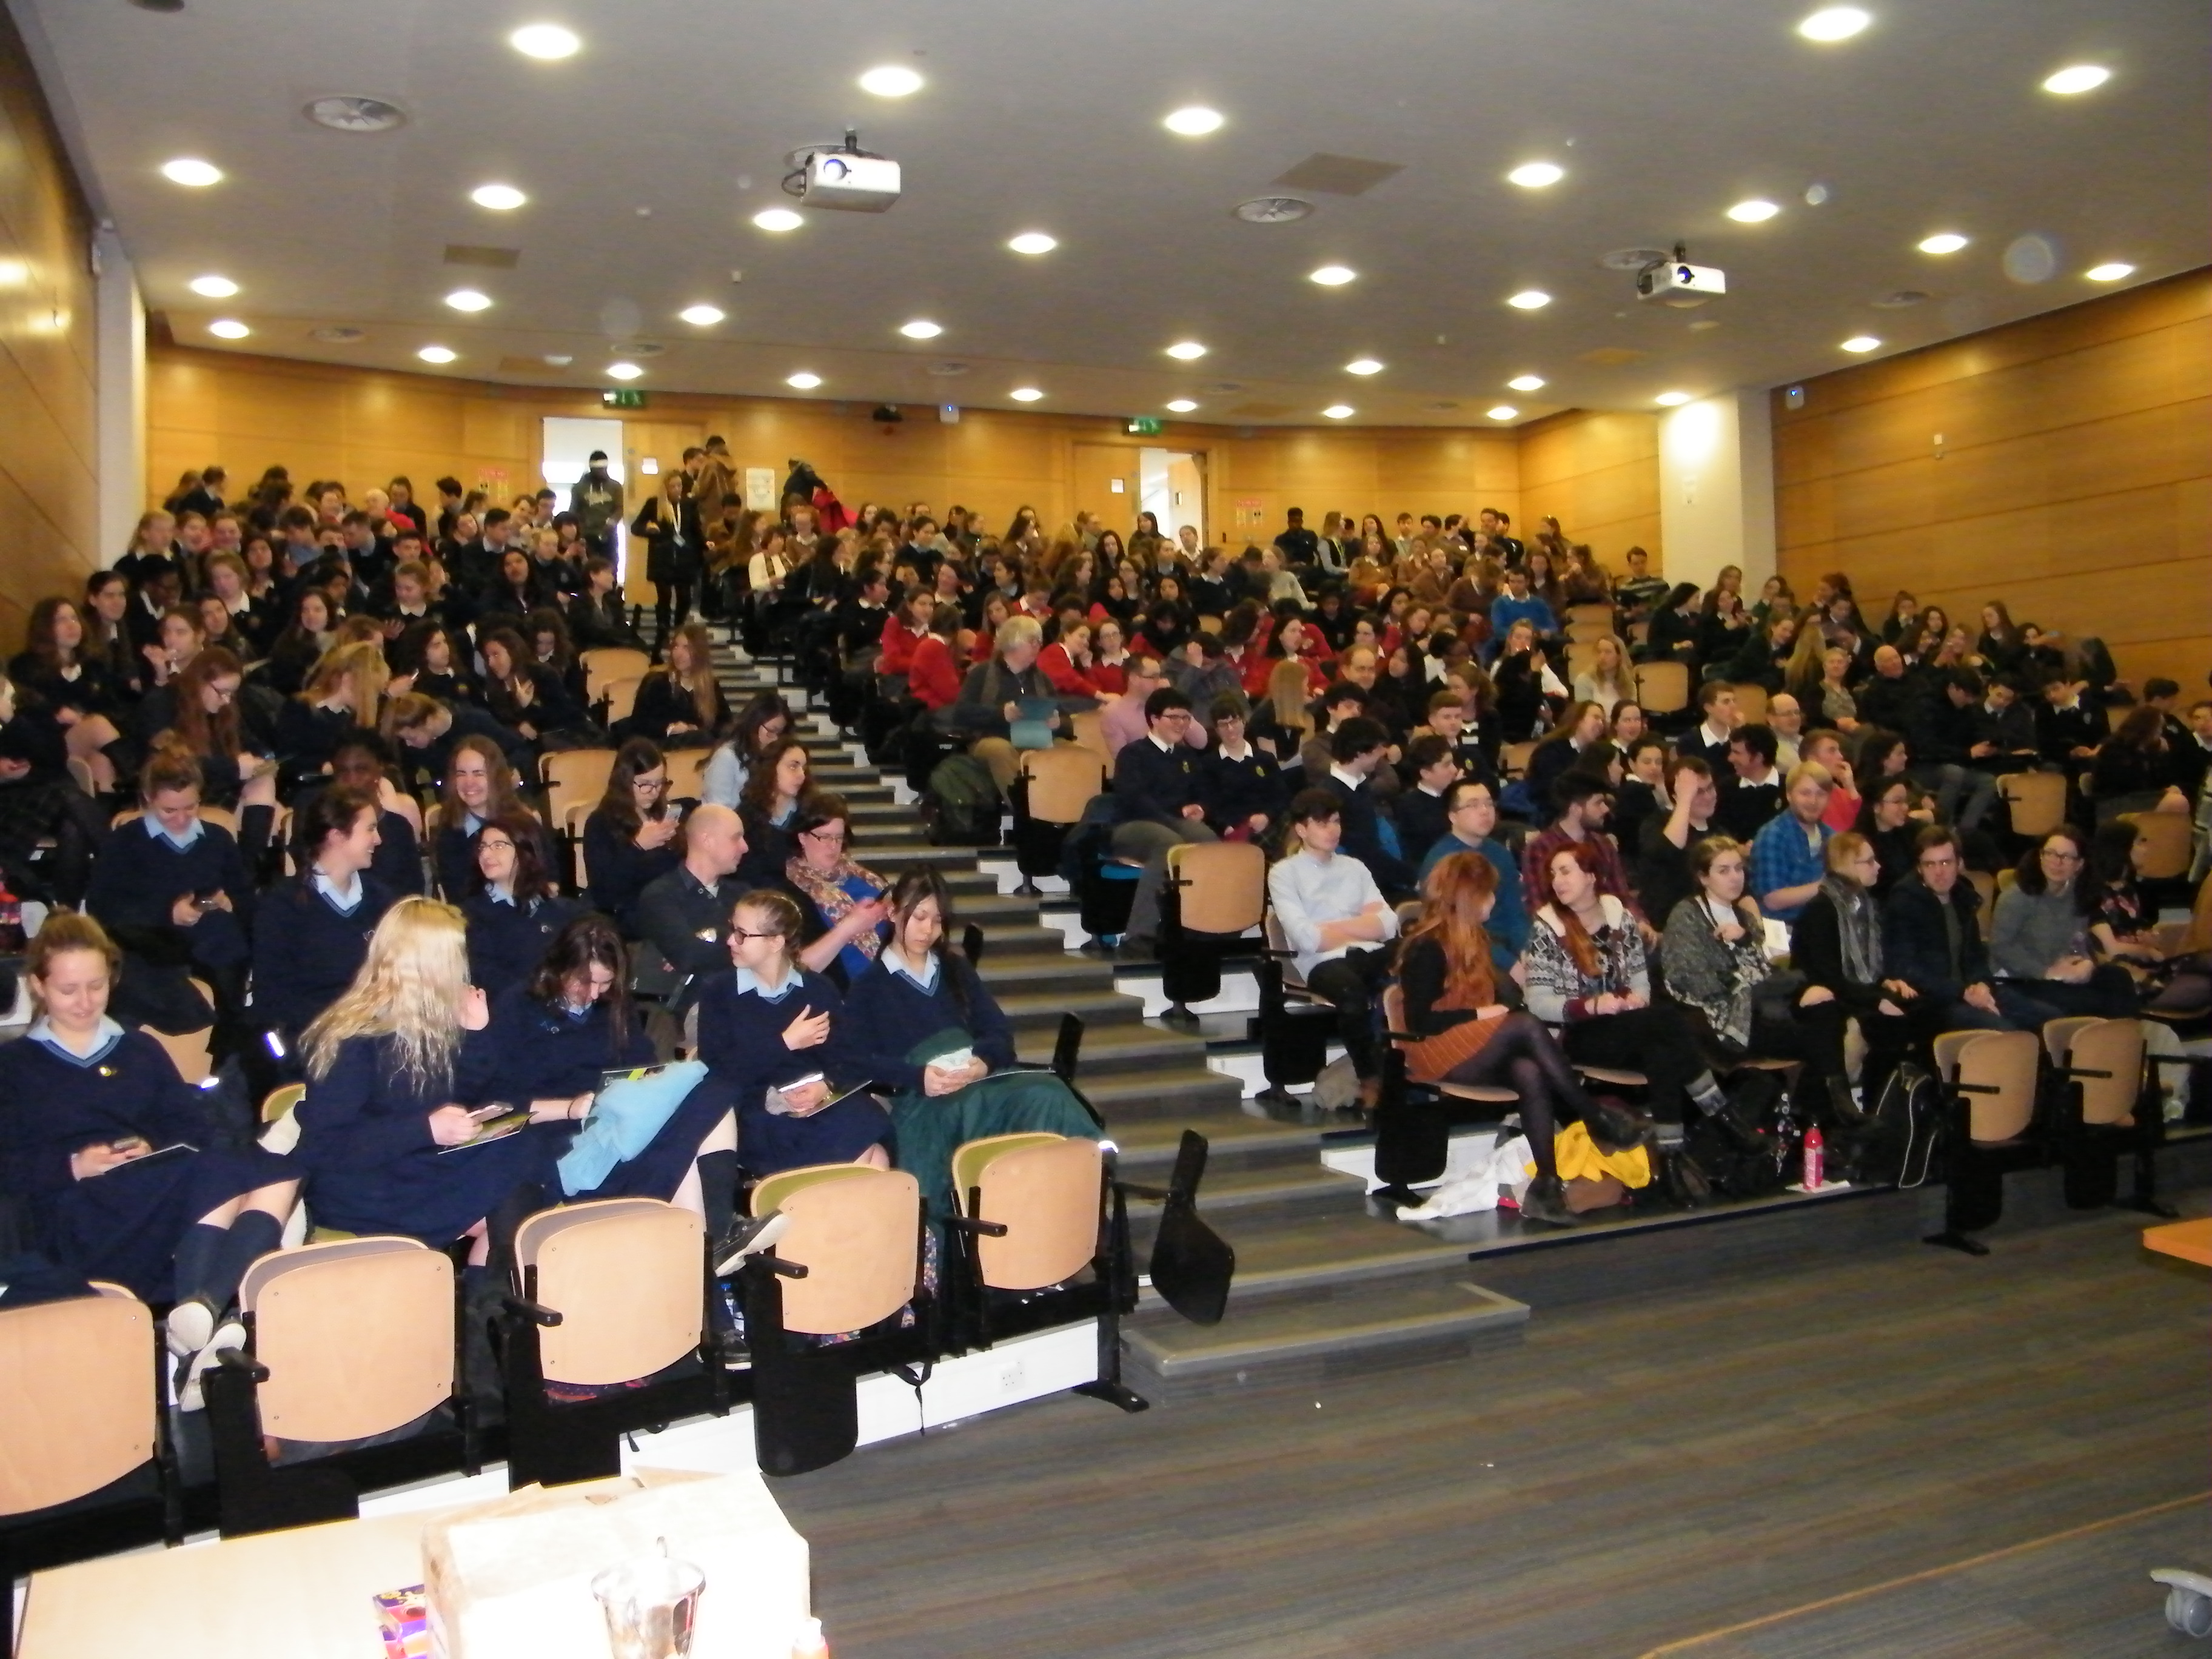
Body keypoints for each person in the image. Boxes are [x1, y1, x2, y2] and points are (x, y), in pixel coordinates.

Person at [0, 914, 300, 1401]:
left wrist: (151, 1147)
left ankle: (198, 1314)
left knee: (280, 1171)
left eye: (96, 986)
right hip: (76, 1209)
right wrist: (74, 1164)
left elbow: (190, 1128)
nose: (85, 1002)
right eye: (68, 990)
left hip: (150, 1184)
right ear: (38, 986)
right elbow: (9, 1166)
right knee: (235, 1172)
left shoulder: (138, 1049)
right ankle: (201, 1318)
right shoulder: (15, 1066)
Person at [295, 898, 568, 1253]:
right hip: (365, 1185)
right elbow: (325, 1147)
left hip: (417, 1160)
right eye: (455, 958)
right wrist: (425, 1129)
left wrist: (476, 1034)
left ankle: (495, 1279)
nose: (463, 968)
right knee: (513, 1181)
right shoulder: (354, 1037)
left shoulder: (429, 1022)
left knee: (523, 1148)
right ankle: (499, 1280)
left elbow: (460, 1097)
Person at [1394, 853, 1649, 1227]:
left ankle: (1547, 1185)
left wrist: (1491, 1011)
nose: (1493, 901)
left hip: (1468, 1044)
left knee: (1528, 1070)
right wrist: (1479, 1015)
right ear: (1468, 896)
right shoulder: (1426, 946)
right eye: (1487, 893)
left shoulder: (1475, 940)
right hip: (1432, 1047)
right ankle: (1594, 1116)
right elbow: (1420, 1020)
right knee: (1526, 1025)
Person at [841, 868, 1099, 1222]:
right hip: (927, 1097)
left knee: (1048, 1092)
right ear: (894, 913)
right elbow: (853, 1061)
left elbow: (998, 1033)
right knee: (965, 1113)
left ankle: (1079, 1200)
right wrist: (917, 1077)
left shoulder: (955, 970)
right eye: (919, 917)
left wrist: (984, 1062)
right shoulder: (869, 987)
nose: (928, 930)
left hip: (977, 1079)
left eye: (937, 921)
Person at [1523, 841, 1761, 1142]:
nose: (1557, 881)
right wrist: (1592, 1006)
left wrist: (1637, 999)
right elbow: (1537, 1002)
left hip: (1624, 1025)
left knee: (1661, 1050)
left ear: (1591, 876)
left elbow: (1639, 978)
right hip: (1572, 1033)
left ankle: (1671, 1150)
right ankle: (1721, 1114)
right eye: (1553, 874)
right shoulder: (1546, 928)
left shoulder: (1620, 919)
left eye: (1565, 871)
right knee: (1667, 1021)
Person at [695, 888, 891, 1176]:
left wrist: (826, 1086)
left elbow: (849, 1060)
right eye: (733, 930)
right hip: (757, 1106)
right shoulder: (720, 991)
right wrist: (785, 1042)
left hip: (818, 1104)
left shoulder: (818, 988)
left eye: (742, 934)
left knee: (869, 1142)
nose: (730, 941)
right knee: (869, 1159)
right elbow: (718, 1072)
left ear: (776, 942)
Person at [86, 749, 254, 1023]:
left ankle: (225, 1026)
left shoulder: (217, 839)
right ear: (148, 798)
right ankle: (221, 1024)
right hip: (154, 945)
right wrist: (167, 912)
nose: (181, 819)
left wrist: (230, 902)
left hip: (214, 940)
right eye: (169, 810)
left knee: (224, 932)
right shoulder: (125, 842)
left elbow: (246, 896)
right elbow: (103, 906)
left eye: (191, 807)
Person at [1267, 789, 1401, 1111]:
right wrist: (1362, 924)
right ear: (1301, 829)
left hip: (1368, 954)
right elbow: (1307, 939)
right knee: (1352, 996)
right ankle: (1370, 1080)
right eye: (1322, 823)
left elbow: (1388, 924)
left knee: (1420, 952)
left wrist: (1332, 929)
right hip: (1321, 963)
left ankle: (1419, 1065)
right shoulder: (1284, 873)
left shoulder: (1354, 867)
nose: (1332, 830)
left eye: (1336, 821)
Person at [254, 783, 403, 1044]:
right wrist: (344, 1021)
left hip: (378, 1033)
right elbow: (272, 997)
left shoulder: (382, 899)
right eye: (370, 829)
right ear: (337, 836)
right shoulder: (283, 905)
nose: (378, 839)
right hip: (315, 1037)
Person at [1791, 832, 1920, 1124]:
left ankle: (1885, 1110)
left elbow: (1869, 966)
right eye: (1869, 861)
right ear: (1848, 866)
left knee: (1914, 1008)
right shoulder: (1821, 911)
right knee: (1885, 1020)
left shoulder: (1866, 906)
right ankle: (1836, 1114)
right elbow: (1827, 976)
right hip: (1824, 996)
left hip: (1853, 991)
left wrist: (1886, 981)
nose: (1878, 866)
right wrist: (1876, 1000)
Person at [1658, 836, 1801, 1065]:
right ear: (1703, 877)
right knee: (1816, 1035)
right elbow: (1689, 979)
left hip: (1762, 1006)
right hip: (1722, 1017)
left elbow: (1769, 965)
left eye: (1739, 869)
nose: (1735, 877)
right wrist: (1743, 983)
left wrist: (1745, 941)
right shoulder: (1686, 916)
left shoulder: (1745, 916)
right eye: (1724, 871)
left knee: (1821, 1009)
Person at [1110, 686, 1219, 957]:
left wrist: (1200, 808)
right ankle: (1139, 935)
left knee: (1209, 841)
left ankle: (1203, 927)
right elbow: (1134, 799)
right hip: (1133, 825)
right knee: (1168, 842)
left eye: (1186, 717)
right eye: (1174, 717)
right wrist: (1174, 817)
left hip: (1174, 822)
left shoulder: (1186, 757)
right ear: (1155, 719)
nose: (1181, 724)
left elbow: (1203, 792)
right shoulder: (1133, 754)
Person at [1988, 827, 2139, 1021]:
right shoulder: (2016, 897)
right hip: (2022, 978)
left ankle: (2126, 1035)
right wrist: (2046, 972)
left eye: (2066, 857)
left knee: (2118, 977)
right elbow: (2001, 947)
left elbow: (2080, 940)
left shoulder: (2079, 894)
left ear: (2079, 864)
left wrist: (2086, 963)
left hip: (2063, 971)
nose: (2057, 862)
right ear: (2040, 856)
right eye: (2050, 853)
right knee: (2087, 1001)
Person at [1882, 825, 2014, 1033]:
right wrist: (1963, 993)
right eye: (1930, 864)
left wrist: (1982, 985)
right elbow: (1906, 968)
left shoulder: (1963, 897)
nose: (1939, 872)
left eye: (1945, 862)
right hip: (1933, 1003)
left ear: (1959, 864)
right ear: (1919, 868)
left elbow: (1976, 956)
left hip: (1969, 992)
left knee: (2045, 1019)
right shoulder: (1904, 902)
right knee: (2005, 1032)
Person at [634, 803, 751, 1014]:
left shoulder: (743, 894)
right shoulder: (660, 896)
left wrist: (713, 934)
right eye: (736, 838)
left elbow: (776, 945)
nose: (745, 847)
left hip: (745, 1000)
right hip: (690, 1010)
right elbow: (689, 956)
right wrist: (743, 942)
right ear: (707, 840)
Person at [461, 808, 580, 997]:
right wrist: (544, 993)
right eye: (482, 847)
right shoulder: (472, 915)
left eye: (498, 846)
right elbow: (487, 977)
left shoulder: (562, 910)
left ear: (526, 851)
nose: (486, 855)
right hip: (514, 1007)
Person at [780, 793, 891, 987]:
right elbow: (792, 970)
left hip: (891, 978)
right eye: (824, 837)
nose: (833, 846)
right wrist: (851, 926)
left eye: (838, 838)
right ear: (802, 837)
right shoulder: (788, 894)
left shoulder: (869, 877)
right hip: (844, 992)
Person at [427, 735, 549, 902]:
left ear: (496, 777)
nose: (469, 782)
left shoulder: (525, 822)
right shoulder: (449, 836)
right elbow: (459, 897)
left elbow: (550, 878)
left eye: (478, 774)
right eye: (461, 774)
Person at [583, 737, 685, 936]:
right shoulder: (601, 822)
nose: (654, 792)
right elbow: (604, 893)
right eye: (645, 784)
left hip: (671, 907)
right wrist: (637, 847)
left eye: (660, 783)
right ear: (625, 780)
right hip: (632, 917)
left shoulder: (662, 814)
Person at [1318, 716, 1415, 897]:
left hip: (1372, 875)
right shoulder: (1332, 794)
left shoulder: (1360, 785)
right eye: (1378, 748)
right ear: (1360, 753)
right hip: (1355, 886)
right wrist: (1411, 878)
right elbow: (1361, 851)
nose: (1382, 753)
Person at [1521, 772, 1637, 923]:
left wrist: (1640, 922)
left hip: (1608, 924)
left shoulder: (1603, 845)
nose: (1605, 809)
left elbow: (1621, 895)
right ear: (1576, 809)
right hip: (1564, 929)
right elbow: (1540, 905)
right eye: (1598, 803)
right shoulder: (1540, 849)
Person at [1746, 762, 1834, 923]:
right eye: (1805, 793)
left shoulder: (1832, 836)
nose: (1813, 801)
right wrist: (1830, 886)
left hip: (1822, 924)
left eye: (1821, 794)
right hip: (1784, 928)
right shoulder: (1773, 835)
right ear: (1789, 795)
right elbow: (1773, 899)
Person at [1201, 693, 1289, 840]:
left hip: (1270, 824)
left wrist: (1267, 816)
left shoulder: (1265, 759)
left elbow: (1281, 796)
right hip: (1234, 830)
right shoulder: (1209, 765)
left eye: (1234, 721)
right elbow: (1210, 805)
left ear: (1244, 721)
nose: (1230, 729)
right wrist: (1226, 827)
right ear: (1216, 730)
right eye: (1223, 724)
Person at [631, 622, 727, 748]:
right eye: (675, 646)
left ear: (700, 653)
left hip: (698, 744)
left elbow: (725, 725)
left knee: (703, 739)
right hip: (661, 746)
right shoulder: (656, 682)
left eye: (686, 648)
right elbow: (639, 723)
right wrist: (670, 728)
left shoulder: (711, 686)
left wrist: (694, 729)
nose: (678, 653)